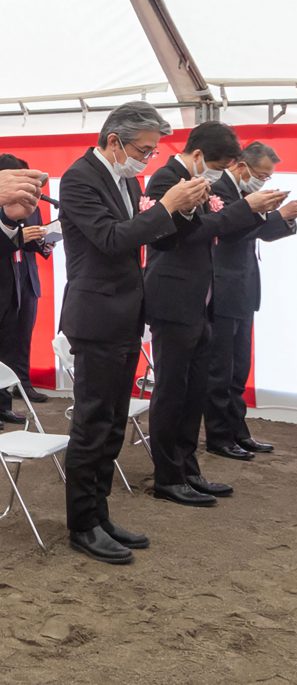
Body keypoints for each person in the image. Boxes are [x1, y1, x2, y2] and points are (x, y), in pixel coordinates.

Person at [59, 101, 208, 564]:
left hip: (125, 312)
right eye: (143, 149)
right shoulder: (79, 177)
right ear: (113, 141)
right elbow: (110, 240)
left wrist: (181, 212)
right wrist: (166, 205)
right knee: (93, 423)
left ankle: (99, 513)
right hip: (96, 316)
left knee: (112, 425)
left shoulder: (125, 178)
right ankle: (82, 523)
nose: (148, 158)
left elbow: (145, 237)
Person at [144, 122, 286, 506]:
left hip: (204, 301)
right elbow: (187, 235)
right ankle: (167, 476)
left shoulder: (196, 182)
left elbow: (214, 231)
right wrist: (245, 208)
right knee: (172, 393)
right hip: (173, 300)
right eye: (218, 166)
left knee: (195, 393)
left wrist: (252, 213)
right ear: (196, 156)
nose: (220, 175)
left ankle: (188, 470)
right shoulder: (165, 180)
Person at [203, 141, 297, 459]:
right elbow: (229, 232)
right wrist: (275, 214)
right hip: (220, 287)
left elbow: (258, 232)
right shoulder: (217, 189)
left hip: (243, 287)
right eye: (262, 176)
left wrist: (282, 216)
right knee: (220, 370)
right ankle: (219, 436)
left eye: (268, 178)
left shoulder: (243, 194)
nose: (264, 182)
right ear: (240, 166)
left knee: (240, 368)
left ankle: (238, 431)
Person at [0, 154, 54, 411]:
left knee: (19, 338)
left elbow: (38, 241)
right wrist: (16, 234)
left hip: (25, 277)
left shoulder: (31, 205)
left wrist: (46, 241)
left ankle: (14, 393)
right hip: (5, 278)